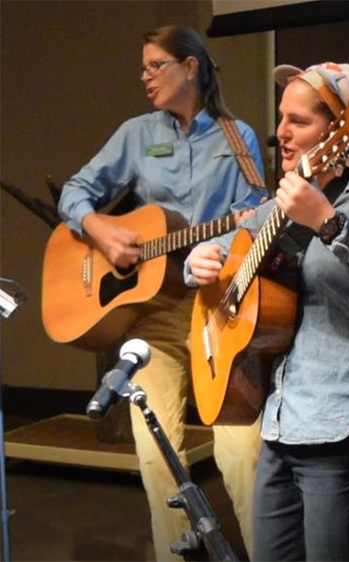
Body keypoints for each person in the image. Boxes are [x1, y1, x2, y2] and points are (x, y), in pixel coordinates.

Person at [186, 61, 349, 561]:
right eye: (281, 118)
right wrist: (197, 262)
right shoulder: (280, 204)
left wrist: (328, 222)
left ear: (342, 131)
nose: (282, 134)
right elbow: (232, 246)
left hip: (348, 424)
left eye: (299, 121)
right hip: (281, 420)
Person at [57, 25, 267, 561]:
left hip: (220, 306)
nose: (145, 76)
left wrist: (221, 246)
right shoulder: (136, 134)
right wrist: (100, 229)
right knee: (156, 456)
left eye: (156, 65)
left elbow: (258, 220)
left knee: (243, 455)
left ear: (190, 67)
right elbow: (77, 192)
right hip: (156, 312)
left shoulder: (237, 137)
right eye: (144, 67)